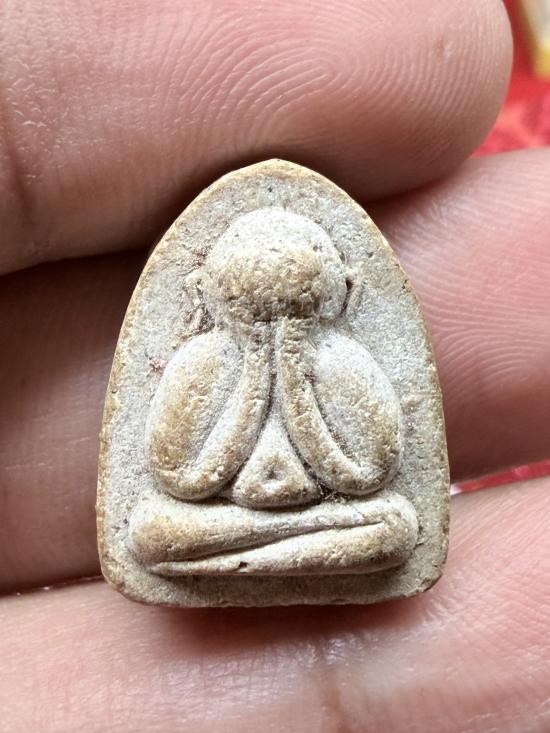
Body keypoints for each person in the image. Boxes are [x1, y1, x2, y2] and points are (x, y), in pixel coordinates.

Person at [0, 1, 549, 730]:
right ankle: (272, 562)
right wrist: (254, 378)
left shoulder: (344, 359)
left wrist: (295, 376)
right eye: (250, 305)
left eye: (293, 304)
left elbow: (365, 476)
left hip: (339, 521)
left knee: (395, 529)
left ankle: (277, 561)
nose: (271, 324)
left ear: (338, 293)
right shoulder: (202, 361)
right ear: (209, 295)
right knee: (151, 533)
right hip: (212, 526)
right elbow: (183, 480)